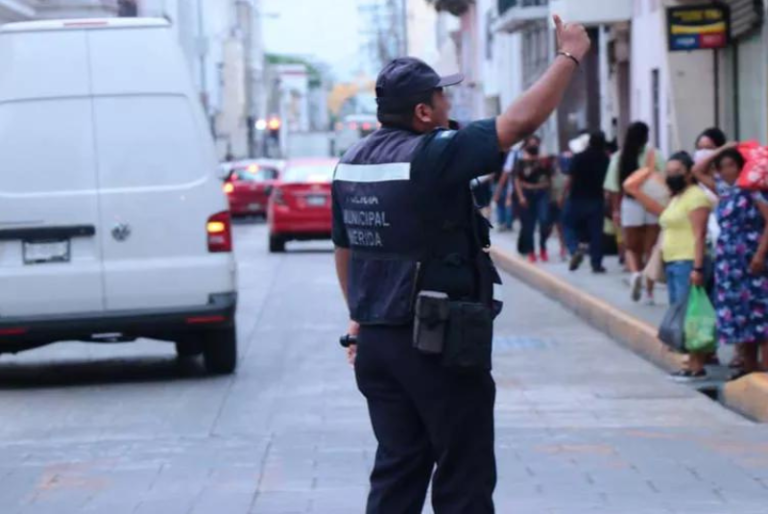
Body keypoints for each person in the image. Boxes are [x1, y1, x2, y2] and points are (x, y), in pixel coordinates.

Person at [332, 17, 590, 514]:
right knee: (463, 473)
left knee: (398, 466)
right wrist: (569, 56)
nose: (451, 105)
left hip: (378, 345)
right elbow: (516, 125)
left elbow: (345, 250)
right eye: (442, 97)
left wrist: (359, 316)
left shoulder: (351, 161)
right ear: (424, 111)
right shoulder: (431, 154)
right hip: (434, 342)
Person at [624, 152, 713, 381]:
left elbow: (700, 234)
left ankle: (697, 365)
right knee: (679, 312)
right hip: (673, 262)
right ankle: (689, 364)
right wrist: (648, 169)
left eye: (677, 172)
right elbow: (630, 186)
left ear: (689, 173)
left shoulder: (696, 198)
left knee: (690, 317)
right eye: (669, 171)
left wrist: (698, 268)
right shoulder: (676, 198)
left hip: (688, 262)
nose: (672, 176)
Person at [693, 145, 768, 377]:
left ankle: (764, 368)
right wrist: (724, 148)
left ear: (741, 166)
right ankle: (748, 367)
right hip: (729, 264)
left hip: (752, 260)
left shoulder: (754, 191)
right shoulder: (726, 191)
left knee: (760, 314)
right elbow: (697, 170)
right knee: (739, 316)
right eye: (722, 167)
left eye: (731, 165)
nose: (726, 171)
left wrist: (759, 254)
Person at [604, 121, 665, 303]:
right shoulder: (655, 155)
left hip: (630, 204)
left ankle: (636, 274)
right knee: (651, 249)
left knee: (631, 247)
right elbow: (664, 178)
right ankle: (649, 291)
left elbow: (613, 187)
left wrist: (615, 211)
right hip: (652, 204)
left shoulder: (619, 157)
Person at [562, 131, 610, 273]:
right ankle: (596, 264)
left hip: (577, 198)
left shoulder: (578, 157)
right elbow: (607, 182)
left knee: (569, 225)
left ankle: (575, 249)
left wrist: (563, 195)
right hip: (596, 199)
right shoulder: (605, 159)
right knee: (596, 233)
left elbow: (570, 179)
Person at [514, 135, 555, 262]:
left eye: (535, 144)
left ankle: (543, 247)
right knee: (529, 225)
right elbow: (517, 180)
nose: (533, 146)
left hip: (541, 194)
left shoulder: (545, 162)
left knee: (544, 221)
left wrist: (537, 186)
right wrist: (520, 196)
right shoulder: (521, 162)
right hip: (527, 194)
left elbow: (550, 179)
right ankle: (531, 251)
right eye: (530, 144)